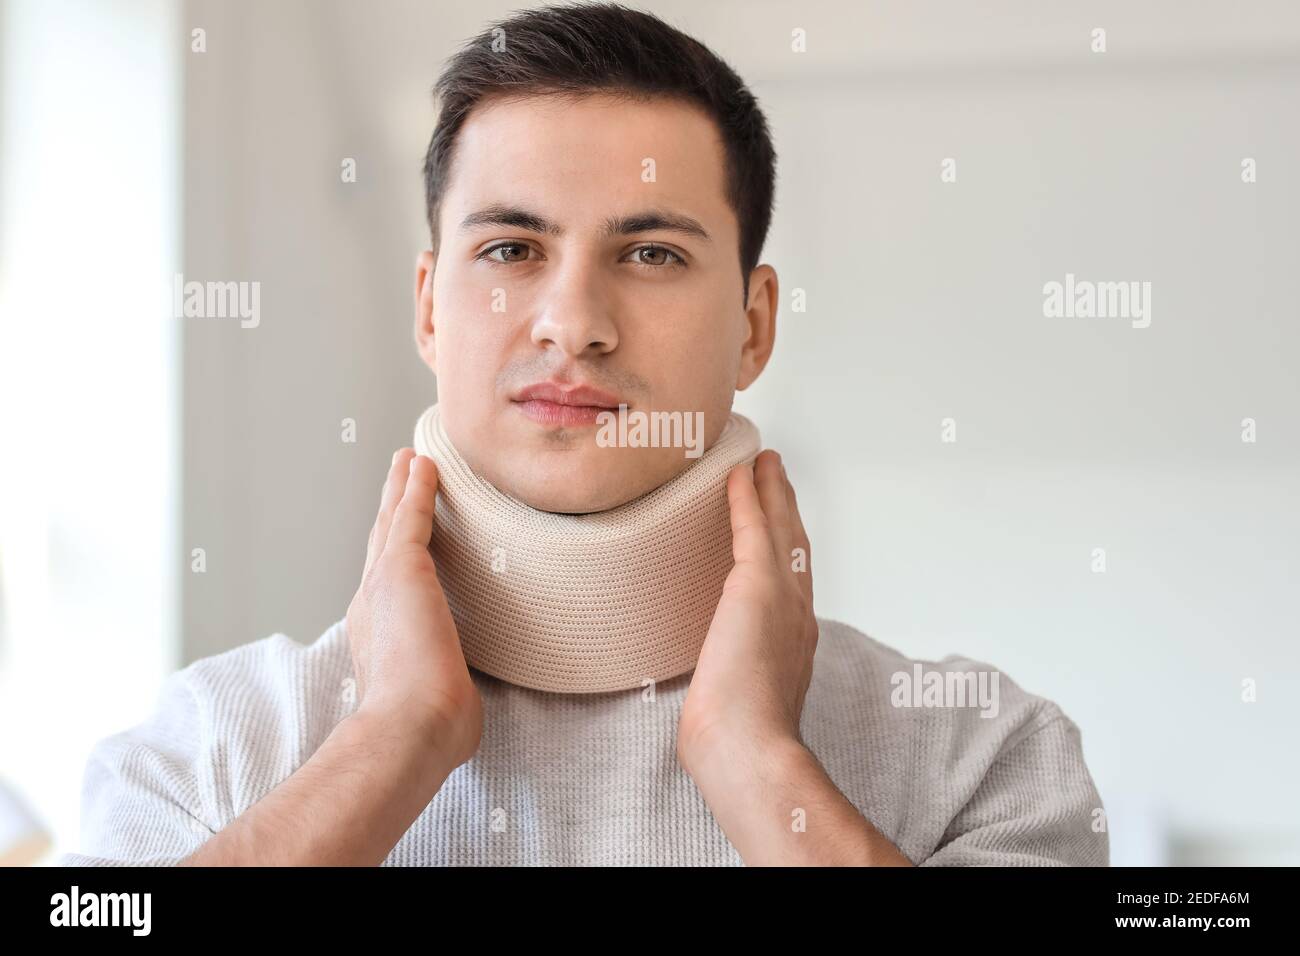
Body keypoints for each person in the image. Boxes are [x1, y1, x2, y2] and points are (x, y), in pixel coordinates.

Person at [59, 2, 1107, 867]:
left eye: (650, 253)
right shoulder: (202, 749)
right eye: (512, 247)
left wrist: (755, 764)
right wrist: (391, 743)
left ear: (754, 325)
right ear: (428, 307)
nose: (572, 322)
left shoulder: (981, 755)